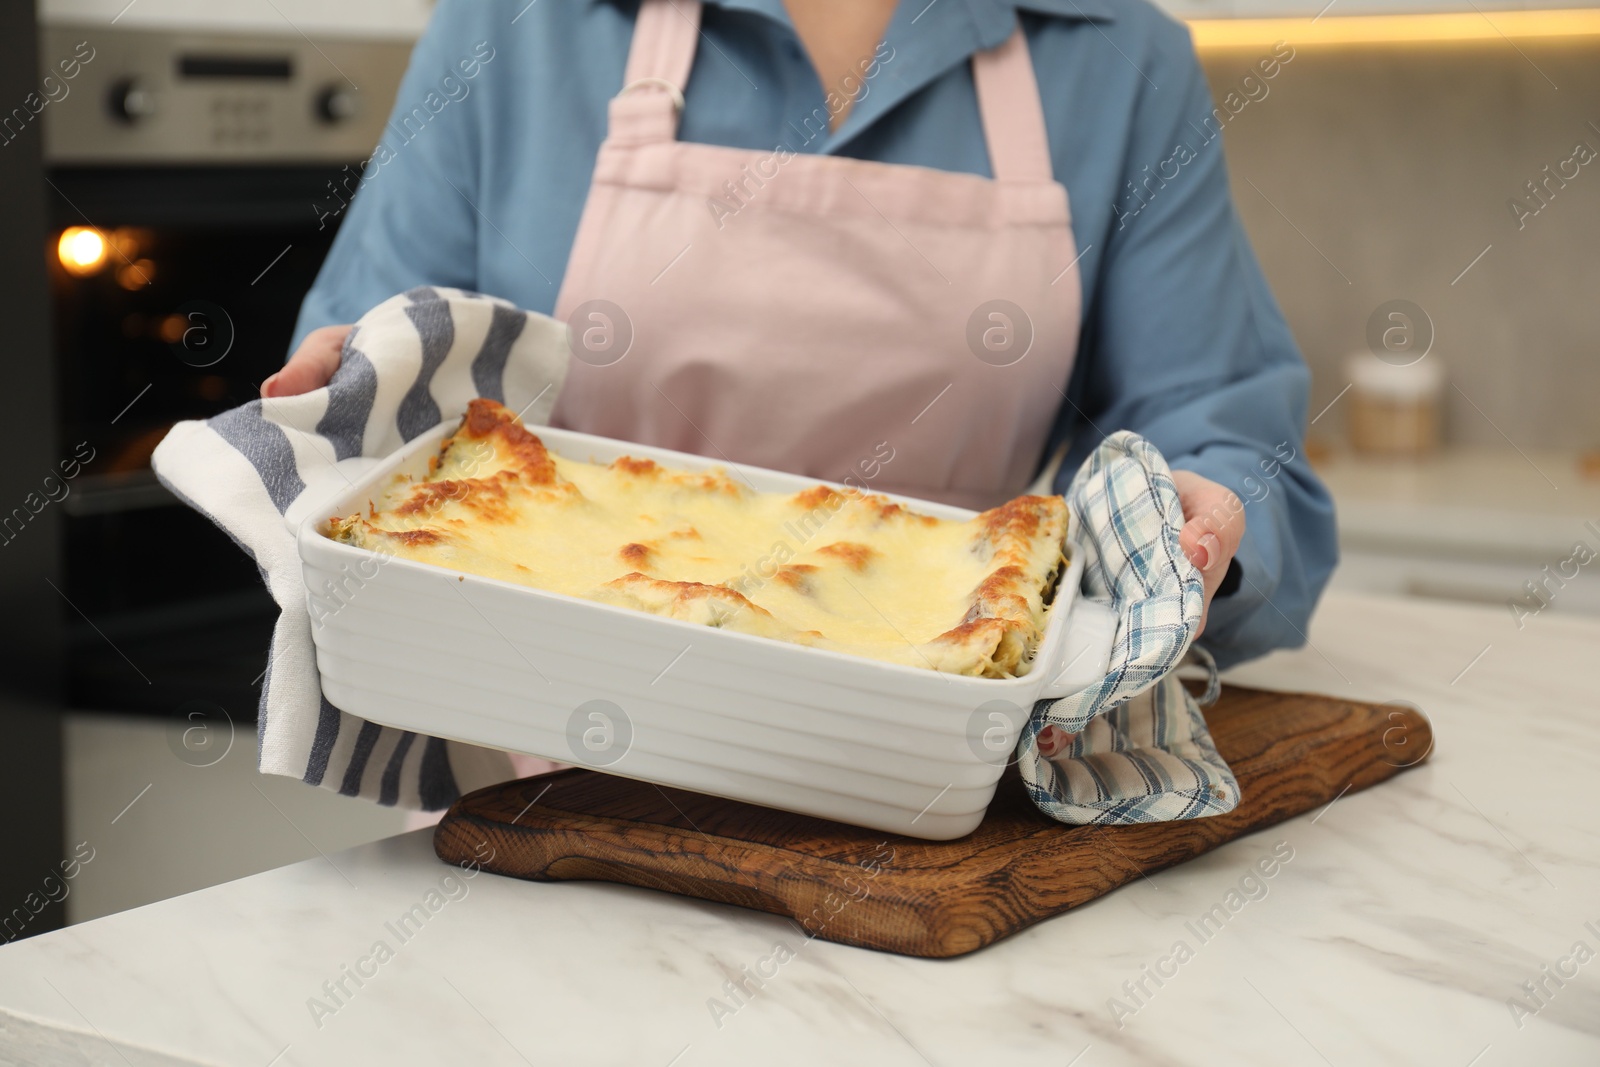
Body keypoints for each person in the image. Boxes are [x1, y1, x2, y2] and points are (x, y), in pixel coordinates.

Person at [268, 0, 1337, 704]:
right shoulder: (518, 22)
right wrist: (355, 401)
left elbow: (1224, 437)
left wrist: (1190, 537)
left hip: (942, 761)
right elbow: (365, 405)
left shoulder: (1113, 55)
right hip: (524, 775)